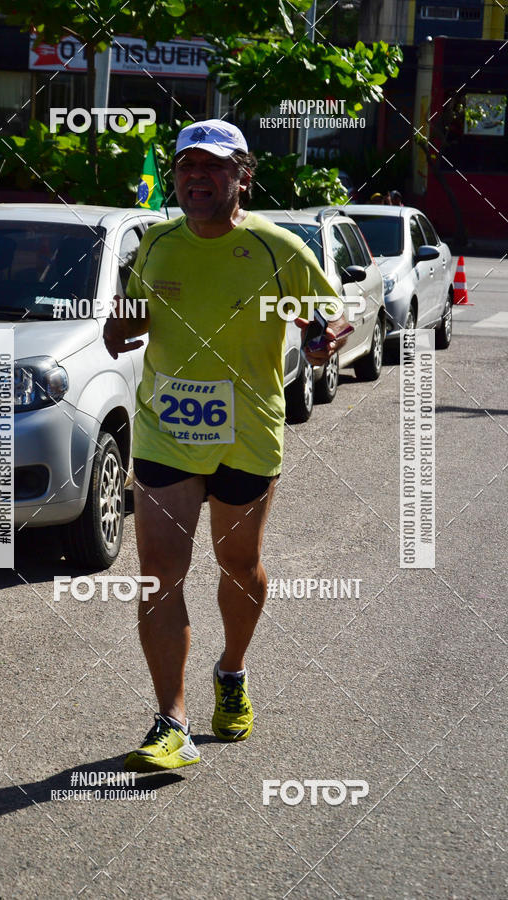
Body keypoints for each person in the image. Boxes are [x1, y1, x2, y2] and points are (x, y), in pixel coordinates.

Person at [103, 119, 348, 772]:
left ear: (244, 174)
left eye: (213, 167)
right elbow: (132, 317)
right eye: (187, 166)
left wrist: (326, 336)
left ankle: (232, 670)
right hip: (167, 432)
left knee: (238, 565)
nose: (197, 178)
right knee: (159, 572)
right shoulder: (156, 243)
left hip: (246, 433)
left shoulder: (277, 248)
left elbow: (326, 313)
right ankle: (171, 724)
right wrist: (117, 329)